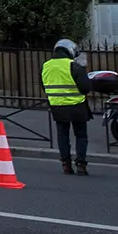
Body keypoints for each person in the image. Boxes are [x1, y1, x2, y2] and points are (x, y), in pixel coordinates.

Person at [42, 38, 92, 175]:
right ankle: (81, 165)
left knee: (62, 136)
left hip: (57, 106)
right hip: (77, 106)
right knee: (81, 136)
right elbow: (85, 88)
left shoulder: (45, 66)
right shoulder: (74, 66)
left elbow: (44, 86)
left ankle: (66, 164)